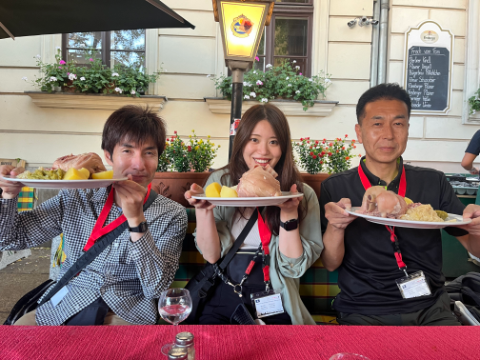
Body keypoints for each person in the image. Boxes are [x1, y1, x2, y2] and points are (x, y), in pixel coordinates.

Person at [0, 105, 187, 326]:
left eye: (149, 153)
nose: (139, 164)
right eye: (127, 151)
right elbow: (9, 239)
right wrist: (8, 196)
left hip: (125, 311)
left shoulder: (172, 214)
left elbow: (155, 288)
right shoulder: (77, 195)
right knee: (17, 343)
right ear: (109, 155)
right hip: (66, 302)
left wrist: (137, 221)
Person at [319, 83, 480, 326]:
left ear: (407, 129)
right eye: (377, 123)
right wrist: (336, 226)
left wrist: (475, 228)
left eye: (398, 123)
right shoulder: (338, 187)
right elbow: (331, 263)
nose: (388, 134)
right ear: (359, 132)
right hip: (363, 309)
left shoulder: (433, 181)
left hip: (431, 308)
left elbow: (474, 248)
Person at [185, 104, 323, 325]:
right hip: (224, 288)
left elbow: (294, 267)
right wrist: (203, 211)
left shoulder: (301, 194)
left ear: (284, 147)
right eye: (254, 139)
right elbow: (211, 256)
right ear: (241, 142)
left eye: (274, 142)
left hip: (275, 291)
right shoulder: (221, 184)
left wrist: (289, 213)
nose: (263, 151)